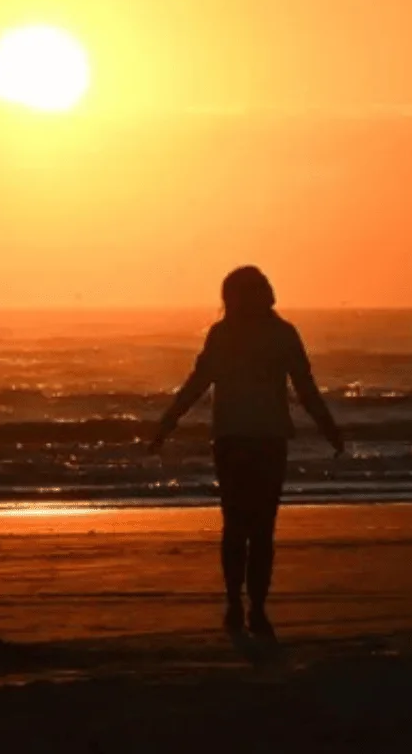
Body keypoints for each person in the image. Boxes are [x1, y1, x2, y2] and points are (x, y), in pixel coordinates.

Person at [148, 266, 344, 639]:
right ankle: (250, 607)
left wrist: (167, 423)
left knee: (241, 525)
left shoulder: (236, 334)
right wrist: (329, 429)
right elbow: (304, 389)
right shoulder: (275, 334)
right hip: (255, 440)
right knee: (256, 527)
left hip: (243, 439)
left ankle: (243, 605)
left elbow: (197, 385)